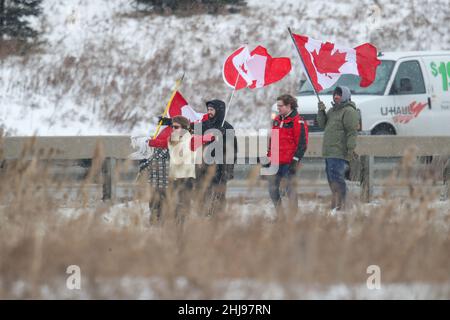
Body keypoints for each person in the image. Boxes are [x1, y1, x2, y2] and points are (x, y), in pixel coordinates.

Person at [147, 115, 212, 224]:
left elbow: (205, 138)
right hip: (173, 178)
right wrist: (148, 142)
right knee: (172, 206)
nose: (173, 129)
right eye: (172, 126)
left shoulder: (191, 140)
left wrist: (211, 136)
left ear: (184, 128)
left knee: (182, 207)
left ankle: (181, 229)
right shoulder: (172, 139)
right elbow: (162, 144)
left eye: (176, 127)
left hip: (186, 179)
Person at [317, 86, 359, 213]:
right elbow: (322, 124)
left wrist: (350, 149)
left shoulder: (349, 111)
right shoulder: (332, 110)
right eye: (335, 94)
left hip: (339, 151)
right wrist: (321, 111)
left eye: (339, 94)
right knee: (331, 179)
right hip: (329, 152)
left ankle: (344, 205)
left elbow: (352, 132)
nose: (336, 96)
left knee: (337, 179)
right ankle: (337, 204)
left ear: (345, 95)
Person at [193, 99, 238, 217]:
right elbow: (194, 142)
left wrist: (229, 170)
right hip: (203, 167)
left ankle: (218, 217)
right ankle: (203, 216)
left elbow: (232, 151)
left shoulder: (228, 127)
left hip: (221, 167)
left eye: (211, 109)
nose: (209, 112)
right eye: (208, 109)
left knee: (219, 194)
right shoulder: (203, 125)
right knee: (202, 193)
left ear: (219, 110)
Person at [266, 94, 308, 215]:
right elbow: (272, 140)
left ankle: (293, 217)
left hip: (289, 162)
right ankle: (280, 214)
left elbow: (302, 144)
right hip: (276, 162)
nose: (278, 108)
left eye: (280, 106)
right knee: (272, 189)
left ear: (289, 106)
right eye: (277, 106)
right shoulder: (277, 120)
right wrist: (269, 156)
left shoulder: (298, 121)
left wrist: (295, 161)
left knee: (290, 190)